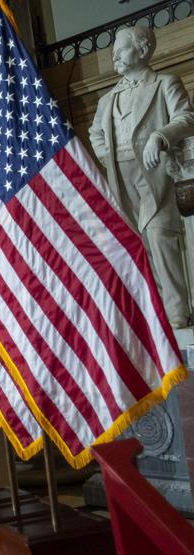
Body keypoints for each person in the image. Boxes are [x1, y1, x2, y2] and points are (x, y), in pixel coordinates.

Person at [88, 25, 194, 328]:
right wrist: (110, 158)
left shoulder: (164, 84)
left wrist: (160, 136)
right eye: (113, 52)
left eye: (121, 50)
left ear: (143, 49)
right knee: (134, 244)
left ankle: (177, 312)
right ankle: (154, 313)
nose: (115, 56)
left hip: (156, 173)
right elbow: (96, 134)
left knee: (160, 235)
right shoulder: (108, 99)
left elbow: (187, 118)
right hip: (120, 176)